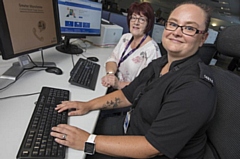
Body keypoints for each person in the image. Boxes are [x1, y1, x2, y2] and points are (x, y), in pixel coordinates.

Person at [51, 2, 217, 159]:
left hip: (145, 149)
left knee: (65, 150)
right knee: (64, 130)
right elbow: (127, 95)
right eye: (173, 24)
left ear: (203, 38)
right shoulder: (161, 63)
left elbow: (152, 147)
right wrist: (88, 105)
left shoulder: (195, 88)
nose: (177, 32)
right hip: (129, 127)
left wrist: (88, 141)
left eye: (189, 28)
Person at [101, 2, 161, 92]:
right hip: (114, 86)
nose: (136, 22)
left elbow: (146, 86)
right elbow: (112, 59)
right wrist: (110, 75)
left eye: (141, 19)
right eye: (133, 18)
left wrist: (118, 84)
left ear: (148, 23)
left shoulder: (152, 50)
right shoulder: (125, 37)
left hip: (129, 96)